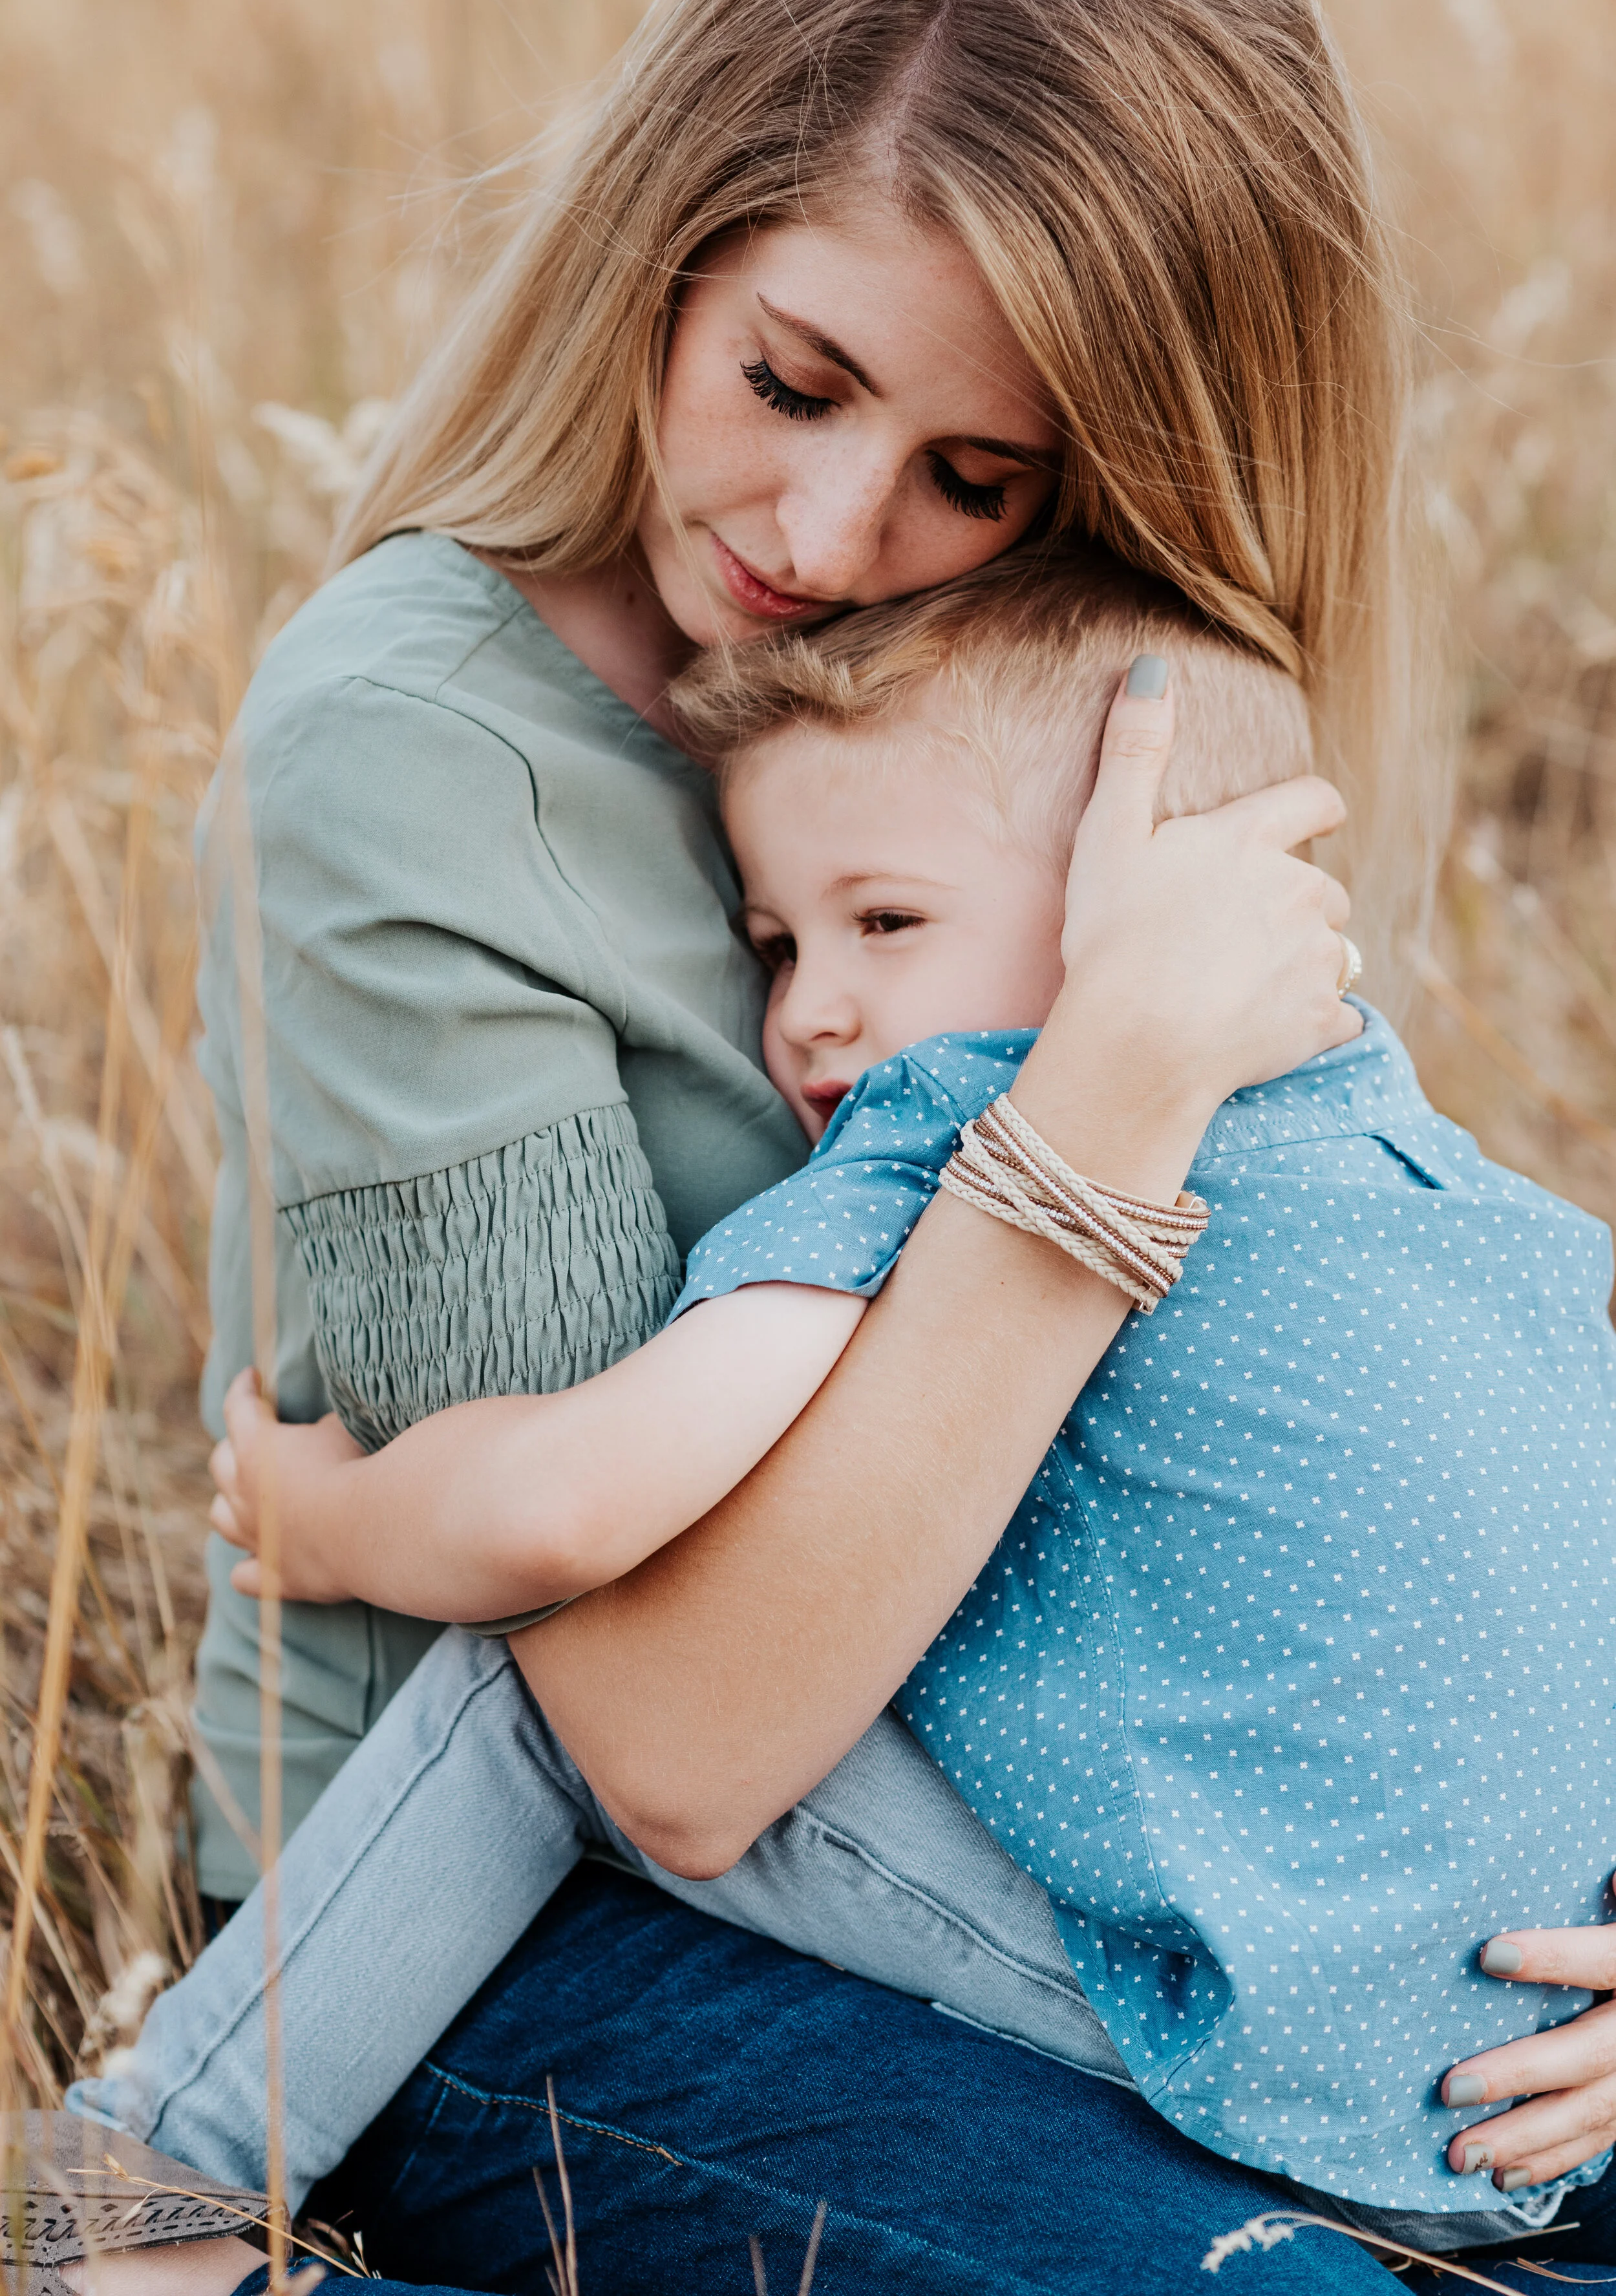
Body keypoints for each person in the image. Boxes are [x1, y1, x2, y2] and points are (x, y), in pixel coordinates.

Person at [33, 0, 1616, 2290]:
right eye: (791, 382)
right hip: (502, 1929)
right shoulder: (412, 756)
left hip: (1086, 1862)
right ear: (663, 251)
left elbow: (1425, 1461)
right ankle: (136, 2217)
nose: (826, 539)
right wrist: (1096, 1096)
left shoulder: (1058, 722)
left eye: (978, 478)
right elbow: (642, 1730)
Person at [78, 558, 1616, 2278]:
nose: (808, 1006)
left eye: (881, 922)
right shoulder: (1479, 1209)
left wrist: (332, 1524)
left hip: (1243, 2042)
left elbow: (570, 1516)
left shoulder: (951, 1120)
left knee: (553, 1670)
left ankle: (115, 2205)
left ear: (1157, 892)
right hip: (1517, 2087)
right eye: (774, 942)